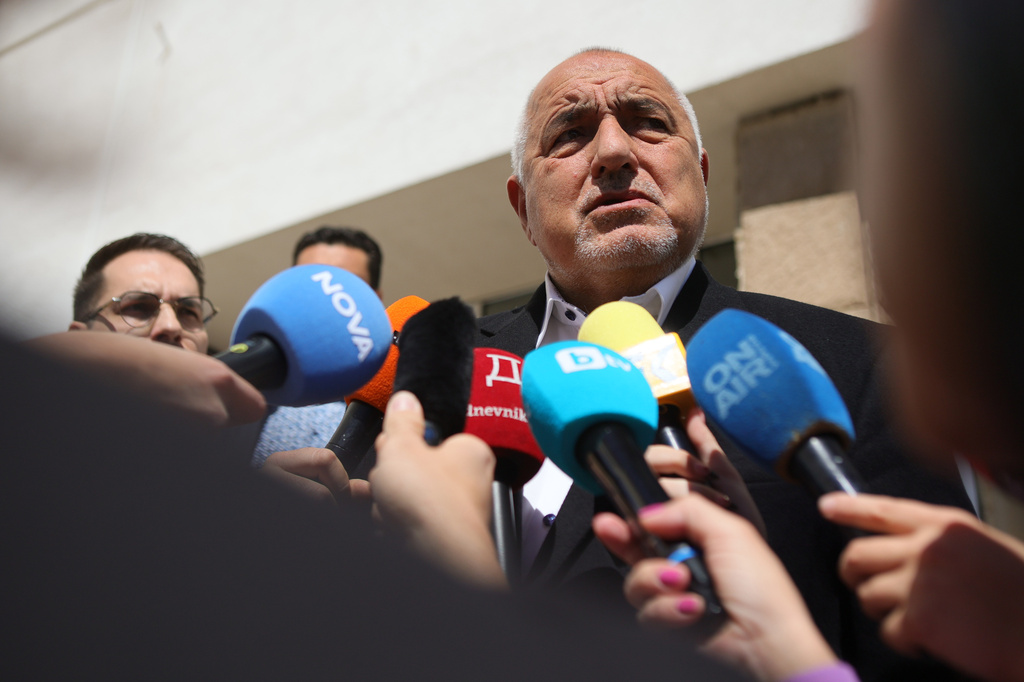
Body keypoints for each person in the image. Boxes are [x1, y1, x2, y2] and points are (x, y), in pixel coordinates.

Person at [475, 48, 974, 681]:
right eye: (569, 134)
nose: (612, 151)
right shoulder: (435, 374)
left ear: (701, 173)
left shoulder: (862, 364)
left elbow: (930, 649)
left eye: (647, 120)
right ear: (522, 206)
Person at [27, 233, 265, 428]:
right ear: (80, 337)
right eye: (138, 307)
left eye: (188, 312)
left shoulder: (257, 441)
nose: (171, 327)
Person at [252, 226, 384, 465]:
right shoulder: (242, 390)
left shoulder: (401, 408)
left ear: (375, 300)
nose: (325, 299)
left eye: (341, 289)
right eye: (310, 282)